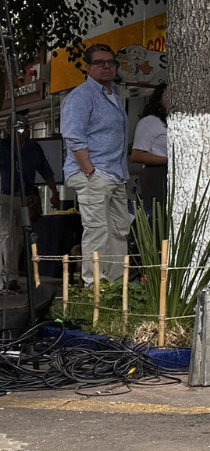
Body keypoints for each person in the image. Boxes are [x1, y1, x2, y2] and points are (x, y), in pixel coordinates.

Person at [61, 44, 130, 285]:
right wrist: (90, 172)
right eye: (100, 63)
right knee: (98, 231)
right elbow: (73, 136)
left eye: (111, 62)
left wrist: (123, 173)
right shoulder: (81, 96)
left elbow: (116, 138)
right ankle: (94, 286)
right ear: (88, 67)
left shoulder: (114, 94)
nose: (107, 66)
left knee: (120, 230)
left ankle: (116, 285)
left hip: (115, 174)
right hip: (94, 173)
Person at [0, 120, 57, 291]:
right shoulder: (2, 146)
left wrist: (54, 193)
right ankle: (6, 278)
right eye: (16, 127)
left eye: (23, 127)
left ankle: (11, 277)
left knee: (18, 238)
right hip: (4, 196)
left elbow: (46, 171)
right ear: (8, 130)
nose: (21, 131)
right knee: (7, 235)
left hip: (25, 198)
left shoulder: (33, 148)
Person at [130, 83, 169, 215]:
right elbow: (137, 155)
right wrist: (169, 160)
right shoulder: (150, 122)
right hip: (157, 174)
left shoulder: (179, 121)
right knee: (159, 215)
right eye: (167, 95)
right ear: (159, 98)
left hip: (177, 173)